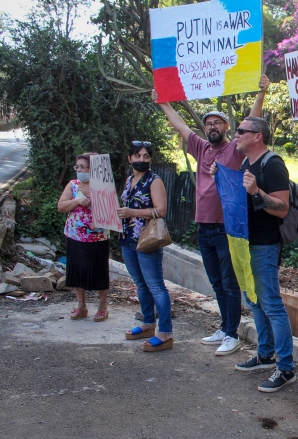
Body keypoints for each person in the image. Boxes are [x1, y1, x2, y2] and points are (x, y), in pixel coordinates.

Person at [151, 75, 269, 357]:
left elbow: (252, 121)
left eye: (217, 122)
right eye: (208, 123)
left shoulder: (233, 149)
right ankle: (225, 326)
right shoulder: (201, 147)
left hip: (225, 227)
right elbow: (179, 125)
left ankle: (232, 334)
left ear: (228, 128)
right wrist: (163, 102)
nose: (212, 126)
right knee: (216, 282)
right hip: (203, 226)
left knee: (229, 283)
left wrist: (261, 94)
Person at [211, 116, 296, 392]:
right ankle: (265, 354)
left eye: (241, 131)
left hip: (264, 244)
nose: (235, 134)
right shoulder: (246, 163)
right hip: (245, 243)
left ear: (257, 136)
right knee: (254, 300)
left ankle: (285, 368)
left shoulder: (273, 164)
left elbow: (282, 208)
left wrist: (256, 190)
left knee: (271, 303)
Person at [119, 141, 172, 352]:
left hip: (147, 239)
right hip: (127, 238)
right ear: (130, 158)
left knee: (156, 286)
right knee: (140, 284)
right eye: (138, 156)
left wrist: (132, 213)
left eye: (146, 156)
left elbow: (162, 210)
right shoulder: (129, 179)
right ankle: (149, 322)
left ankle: (166, 331)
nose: (142, 159)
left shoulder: (154, 181)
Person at [57, 153, 110, 322]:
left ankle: (103, 307)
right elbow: (61, 206)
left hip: (98, 237)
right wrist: (78, 201)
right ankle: (81, 305)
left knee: (99, 271)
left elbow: (111, 212)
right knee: (76, 270)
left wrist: (101, 222)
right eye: (77, 167)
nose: (79, 170)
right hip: (75, 236)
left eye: (83, 167)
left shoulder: (103, 186)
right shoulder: (73, 185)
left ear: (92, 169)